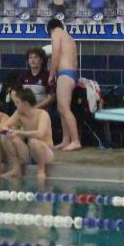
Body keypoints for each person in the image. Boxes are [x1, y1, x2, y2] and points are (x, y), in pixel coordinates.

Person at [1, 87, 55, 187]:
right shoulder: (19, 113)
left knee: (34, 141)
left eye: (17, 102)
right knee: (5, 137)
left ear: (25, 104)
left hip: (45, 152)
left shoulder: (43, 114)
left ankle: (41, 170)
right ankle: (16, 169)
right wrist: (8, 131)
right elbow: (4, 126)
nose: (15, 105)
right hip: (30, 153)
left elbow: (40, 134)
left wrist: (18, 132)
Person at [46, 18, 81, 151]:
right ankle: (66, 140)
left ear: (50, 29)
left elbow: (56, 55)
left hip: (64, 74)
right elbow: (75, 61)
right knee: (62, 109)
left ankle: (75, 141)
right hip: (71, 74)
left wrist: (51, 74)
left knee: (65, 109)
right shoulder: (70, 38)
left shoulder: (56, 34)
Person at [17, 46, 53, 110]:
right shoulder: (23, 75)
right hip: (24, 109)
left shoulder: (47, 76)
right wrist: (19, 104)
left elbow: (52, 96)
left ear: (41, 60)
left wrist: (36, 107)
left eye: (35, 57)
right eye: (30, 58)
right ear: (28, 61)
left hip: (41, 110)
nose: (32, 60)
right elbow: (14, 92)